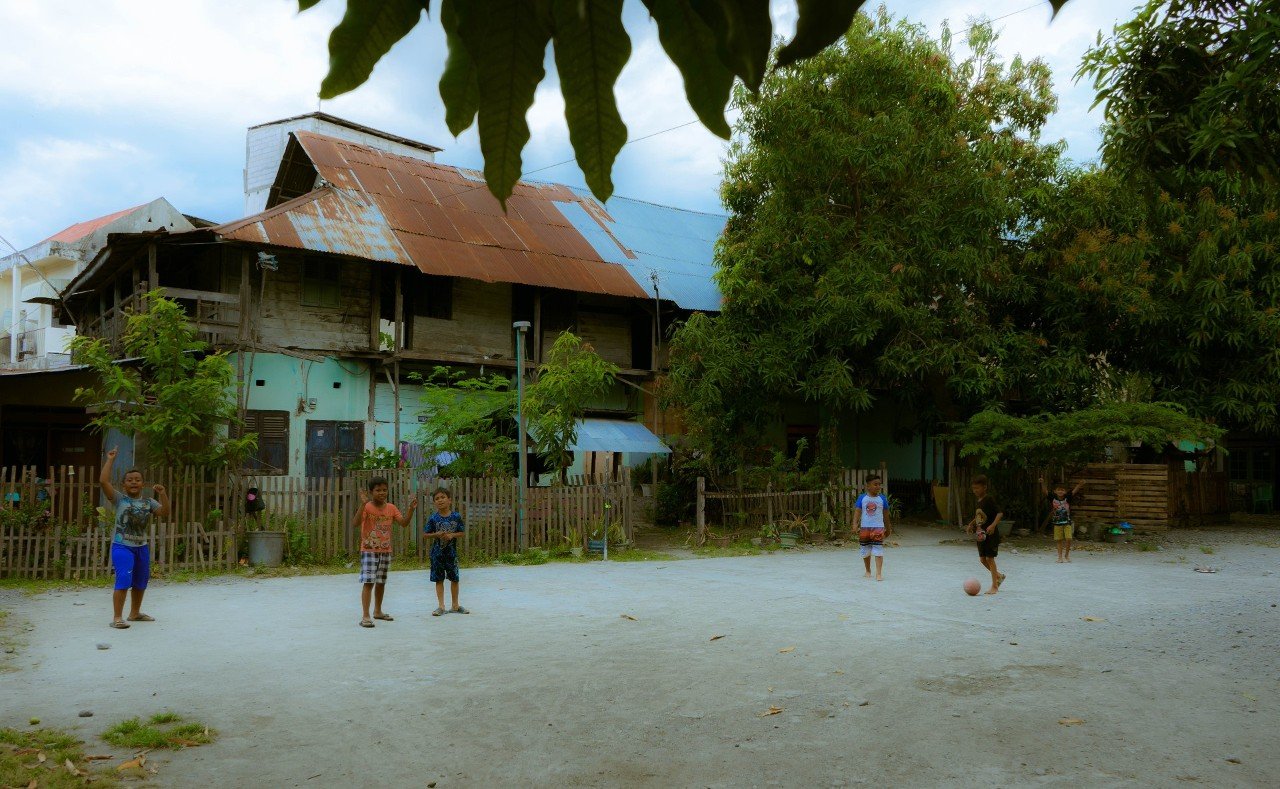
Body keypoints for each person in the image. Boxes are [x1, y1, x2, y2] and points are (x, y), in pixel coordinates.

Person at [99, 447, 170, 629]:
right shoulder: (119, 499)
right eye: (129, 480)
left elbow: (164, 512)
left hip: (141, 547)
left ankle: (135, 613)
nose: (133, 482)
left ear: (142, 484)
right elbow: (103, 481)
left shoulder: (148, 502)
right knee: (123, 578)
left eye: (137, 480)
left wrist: (162, 494)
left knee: (141, 580)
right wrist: (110, 460)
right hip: (122, 546)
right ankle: (117, 618)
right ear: (124, 485)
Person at [352, 476, 417, 628]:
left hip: (385, 550)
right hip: (369, 550)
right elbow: (355, 523)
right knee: (369, 582)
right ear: (371, 492)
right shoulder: (367, 507)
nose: (382, 493)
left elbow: (404, 523)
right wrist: (362, 504)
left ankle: (378, 611)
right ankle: (366, 615)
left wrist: (410, 509)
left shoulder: (392, 508)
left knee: (381, 582)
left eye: (384, 490)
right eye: (378, 490)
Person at [423, 488, 467, 616]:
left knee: (454, 579)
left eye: (442, 497)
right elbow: (425, 534)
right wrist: (436, 534)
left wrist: (452, 535)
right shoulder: (433, 518)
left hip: (451, 554)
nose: (440, 500)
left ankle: (455, 605)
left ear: (449, 500)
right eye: (437, 499)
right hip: (437, 554)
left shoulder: (456, 516)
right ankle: (441, 606)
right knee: (439, 579)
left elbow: (462, 532)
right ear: (434, 503)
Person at [964, 475, 1005, 595]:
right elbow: (979, 516)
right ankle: (999, 576)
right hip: (980, 535)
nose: (975, 490)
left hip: (990, 534)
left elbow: (1000, 513)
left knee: (989, 559)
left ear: (985, 487)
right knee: (982, 560)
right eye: (973, 488)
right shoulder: (979, 501)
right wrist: (971, 524)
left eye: (977, 488)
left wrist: (993, 525)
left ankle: (995, 586)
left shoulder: (989, 499)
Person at [853, 475, 891, 581]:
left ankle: (879, 573)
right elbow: (857, 511)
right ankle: (868, 570)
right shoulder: (862, 498)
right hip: (865, 528)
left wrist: (888, 528)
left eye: (879, 484)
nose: (878, 486)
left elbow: (886, 515)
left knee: (878, 550)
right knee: (865, 550)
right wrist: (854, 524)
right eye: (875, 484)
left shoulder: (882, 499)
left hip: (878, 528)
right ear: (868, 486)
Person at [1042, 476, 1085, 563]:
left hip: (1067, 522)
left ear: (1065, 492)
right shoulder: (1053, 498)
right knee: (1059, 540)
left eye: (1062, 490)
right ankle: (1060, 557)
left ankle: (1066, 555)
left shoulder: (1067, 498)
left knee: (1069, 538)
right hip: (1057, 522)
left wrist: (1079, 485)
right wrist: (1042, 483)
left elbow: (1074, 491)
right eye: (1059, 490)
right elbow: (1045, 492)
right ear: (1055, 491)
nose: (1060, 491)